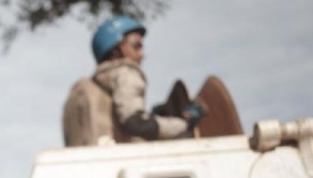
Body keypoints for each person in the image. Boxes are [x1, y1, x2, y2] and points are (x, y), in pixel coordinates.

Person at [63, 15, 206, 145]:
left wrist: (157, 115)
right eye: (136, 46)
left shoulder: (87, 86)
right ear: (115, 50)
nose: (142, 54)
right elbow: (135, 124)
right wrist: (184, 124)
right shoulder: (126, 72)